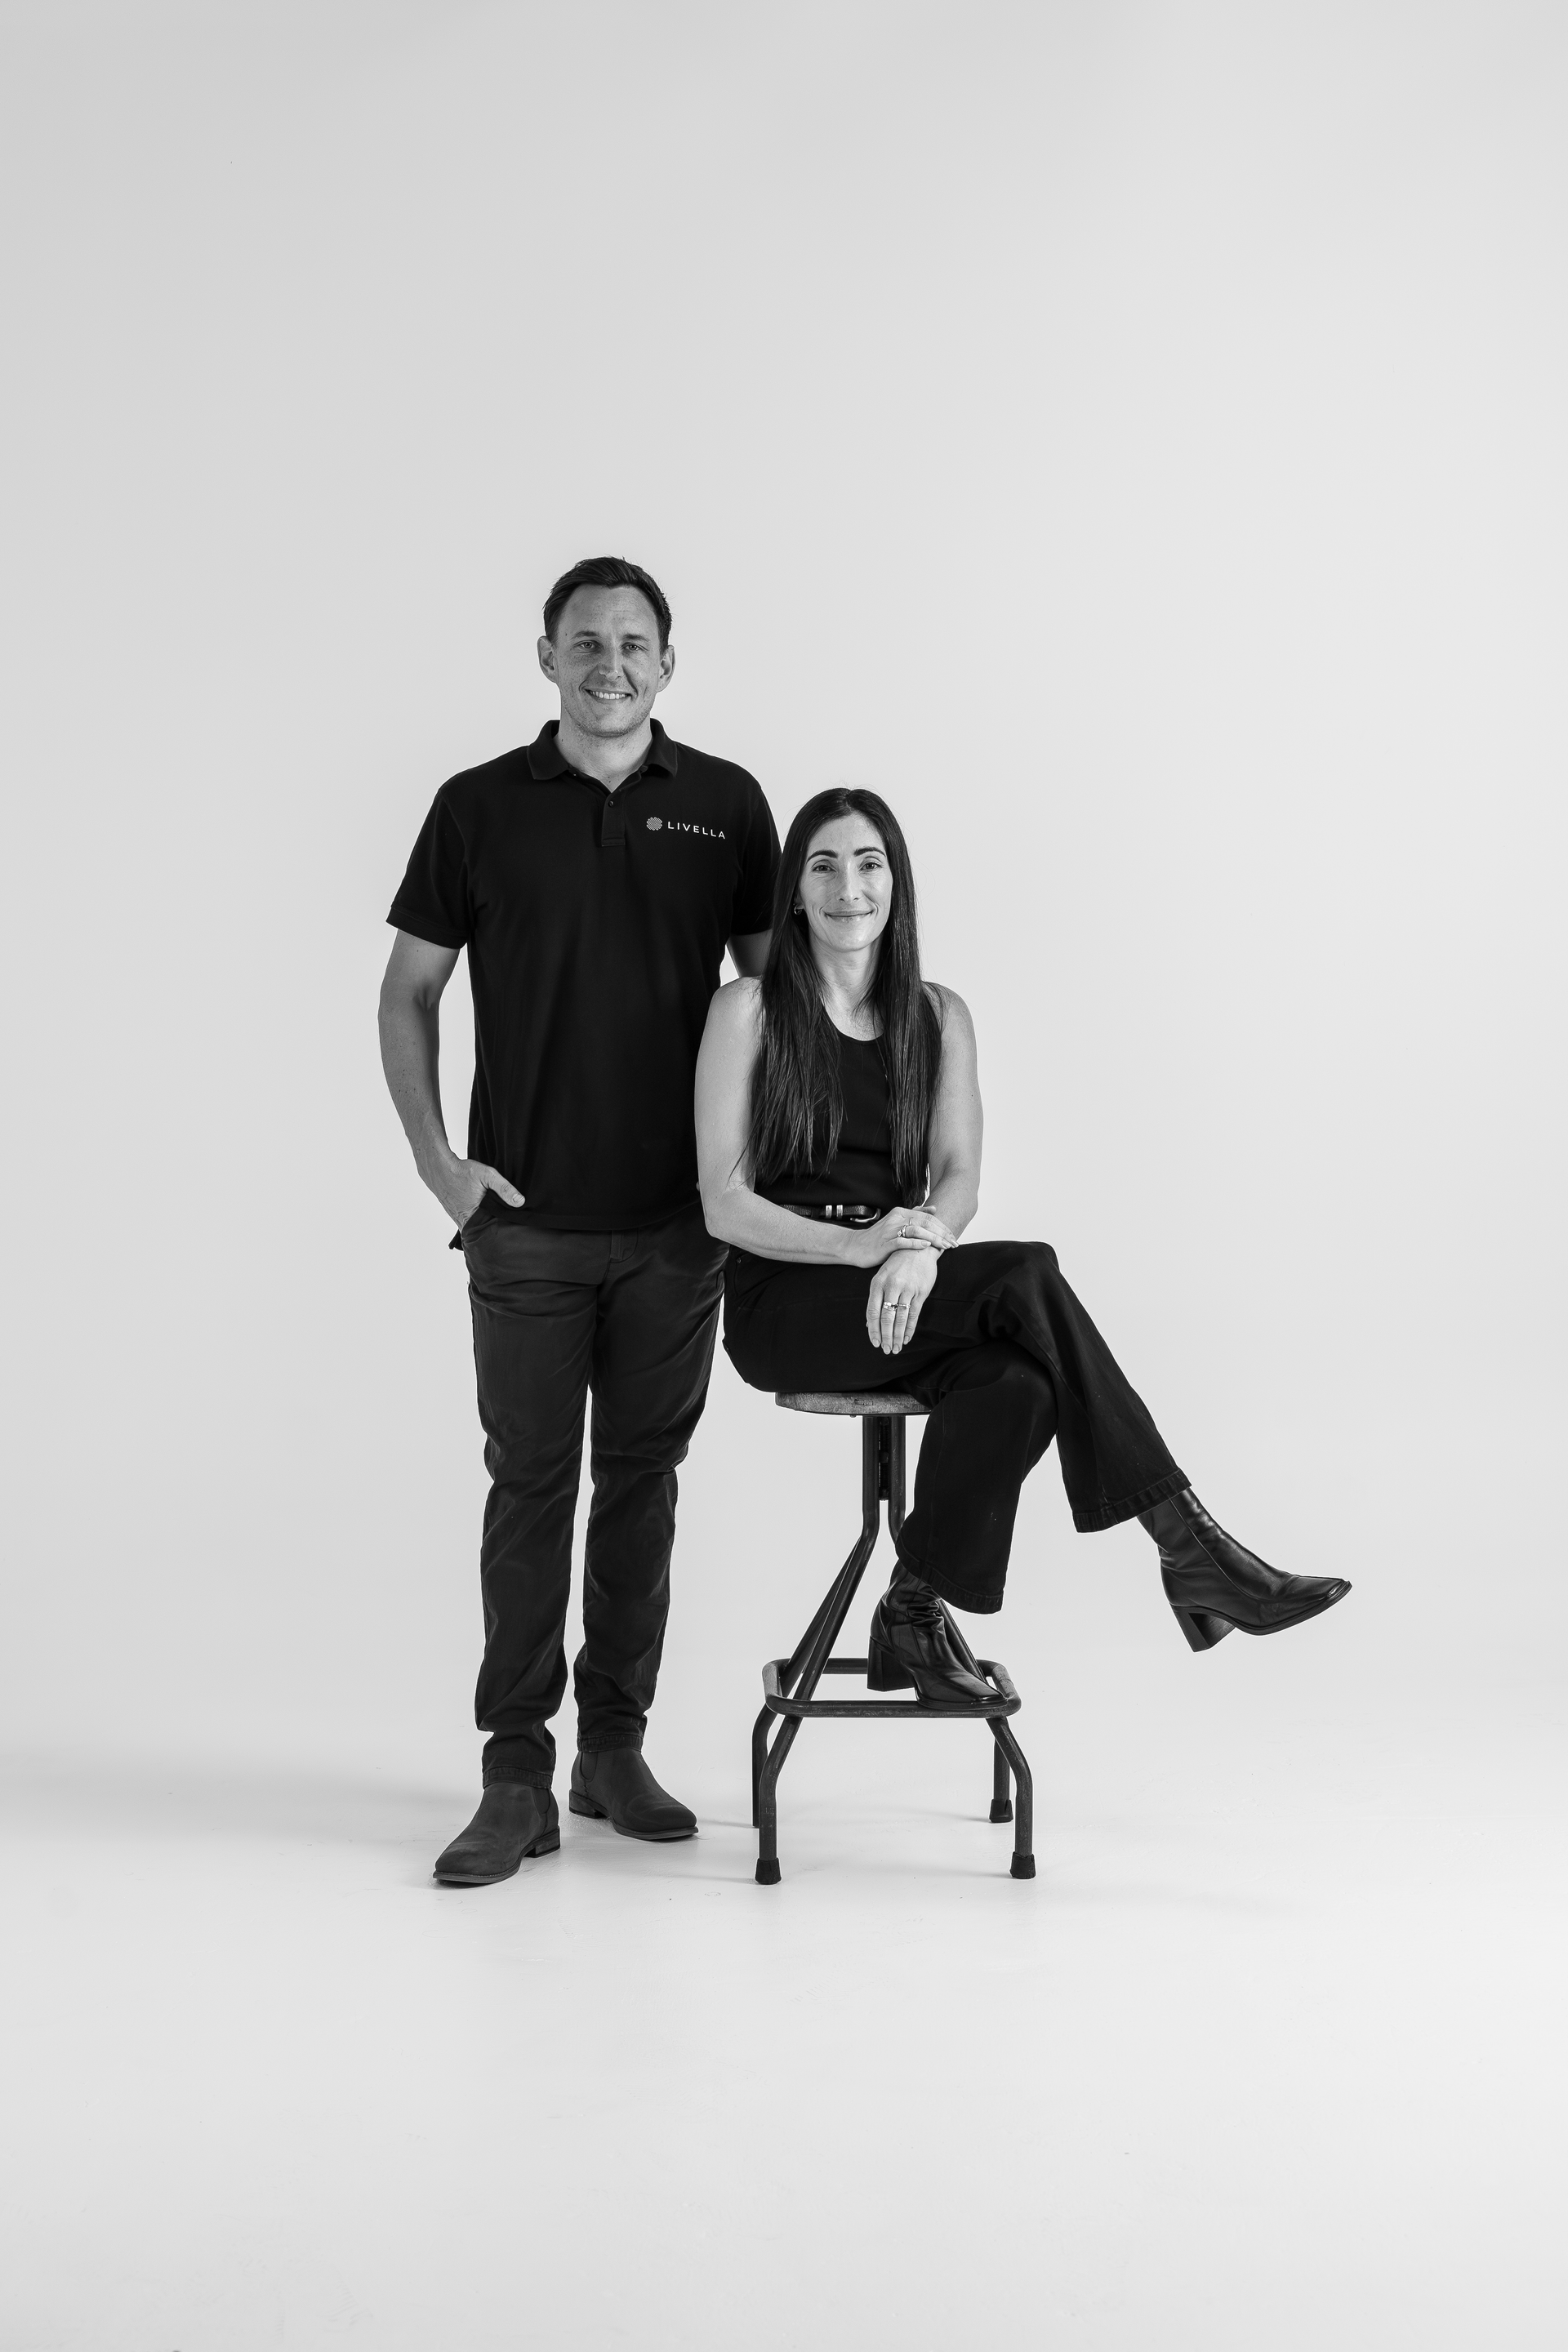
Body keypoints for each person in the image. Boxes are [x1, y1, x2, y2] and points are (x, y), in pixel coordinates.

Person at [694, 788, 1348, 1699]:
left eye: (871, 863)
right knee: (1027, 1272)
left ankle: (913, 1612)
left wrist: (920, 1250)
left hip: (900, 1276)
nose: (850, 887)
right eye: (825, 865)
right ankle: (1190, 1547)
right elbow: (722, 1205)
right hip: (789, 1300)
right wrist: (861, 1248)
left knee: (1021, 1381)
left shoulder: (938, 1014)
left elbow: (958, 1174)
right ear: (795, 891)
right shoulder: (750, 1011)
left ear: (898, 884)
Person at [380, 556, 779, 1884]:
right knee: (529, 1487)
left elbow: (781, 1010)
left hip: (680, 1227)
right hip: (529, 1225)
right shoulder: (479, 808)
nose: (612, 666)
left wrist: (770, 1180)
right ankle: (514, 1774)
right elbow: (409, 994)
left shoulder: (726, 809)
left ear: (670, 662)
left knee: (642, 1488)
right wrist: (443, 1165)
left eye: (636, 645)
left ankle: (613, 1750)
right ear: (544, 654)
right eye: (586, 642)